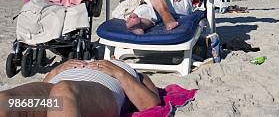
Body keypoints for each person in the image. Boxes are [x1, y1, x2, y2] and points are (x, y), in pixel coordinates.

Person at [0, 59, 160, 117]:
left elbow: (151, 104)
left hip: (97, 94)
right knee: (6, 102)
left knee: (63, 92)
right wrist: (57, 70)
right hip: (53, 99)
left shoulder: (127, 70)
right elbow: (45, 84)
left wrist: (119, 71)